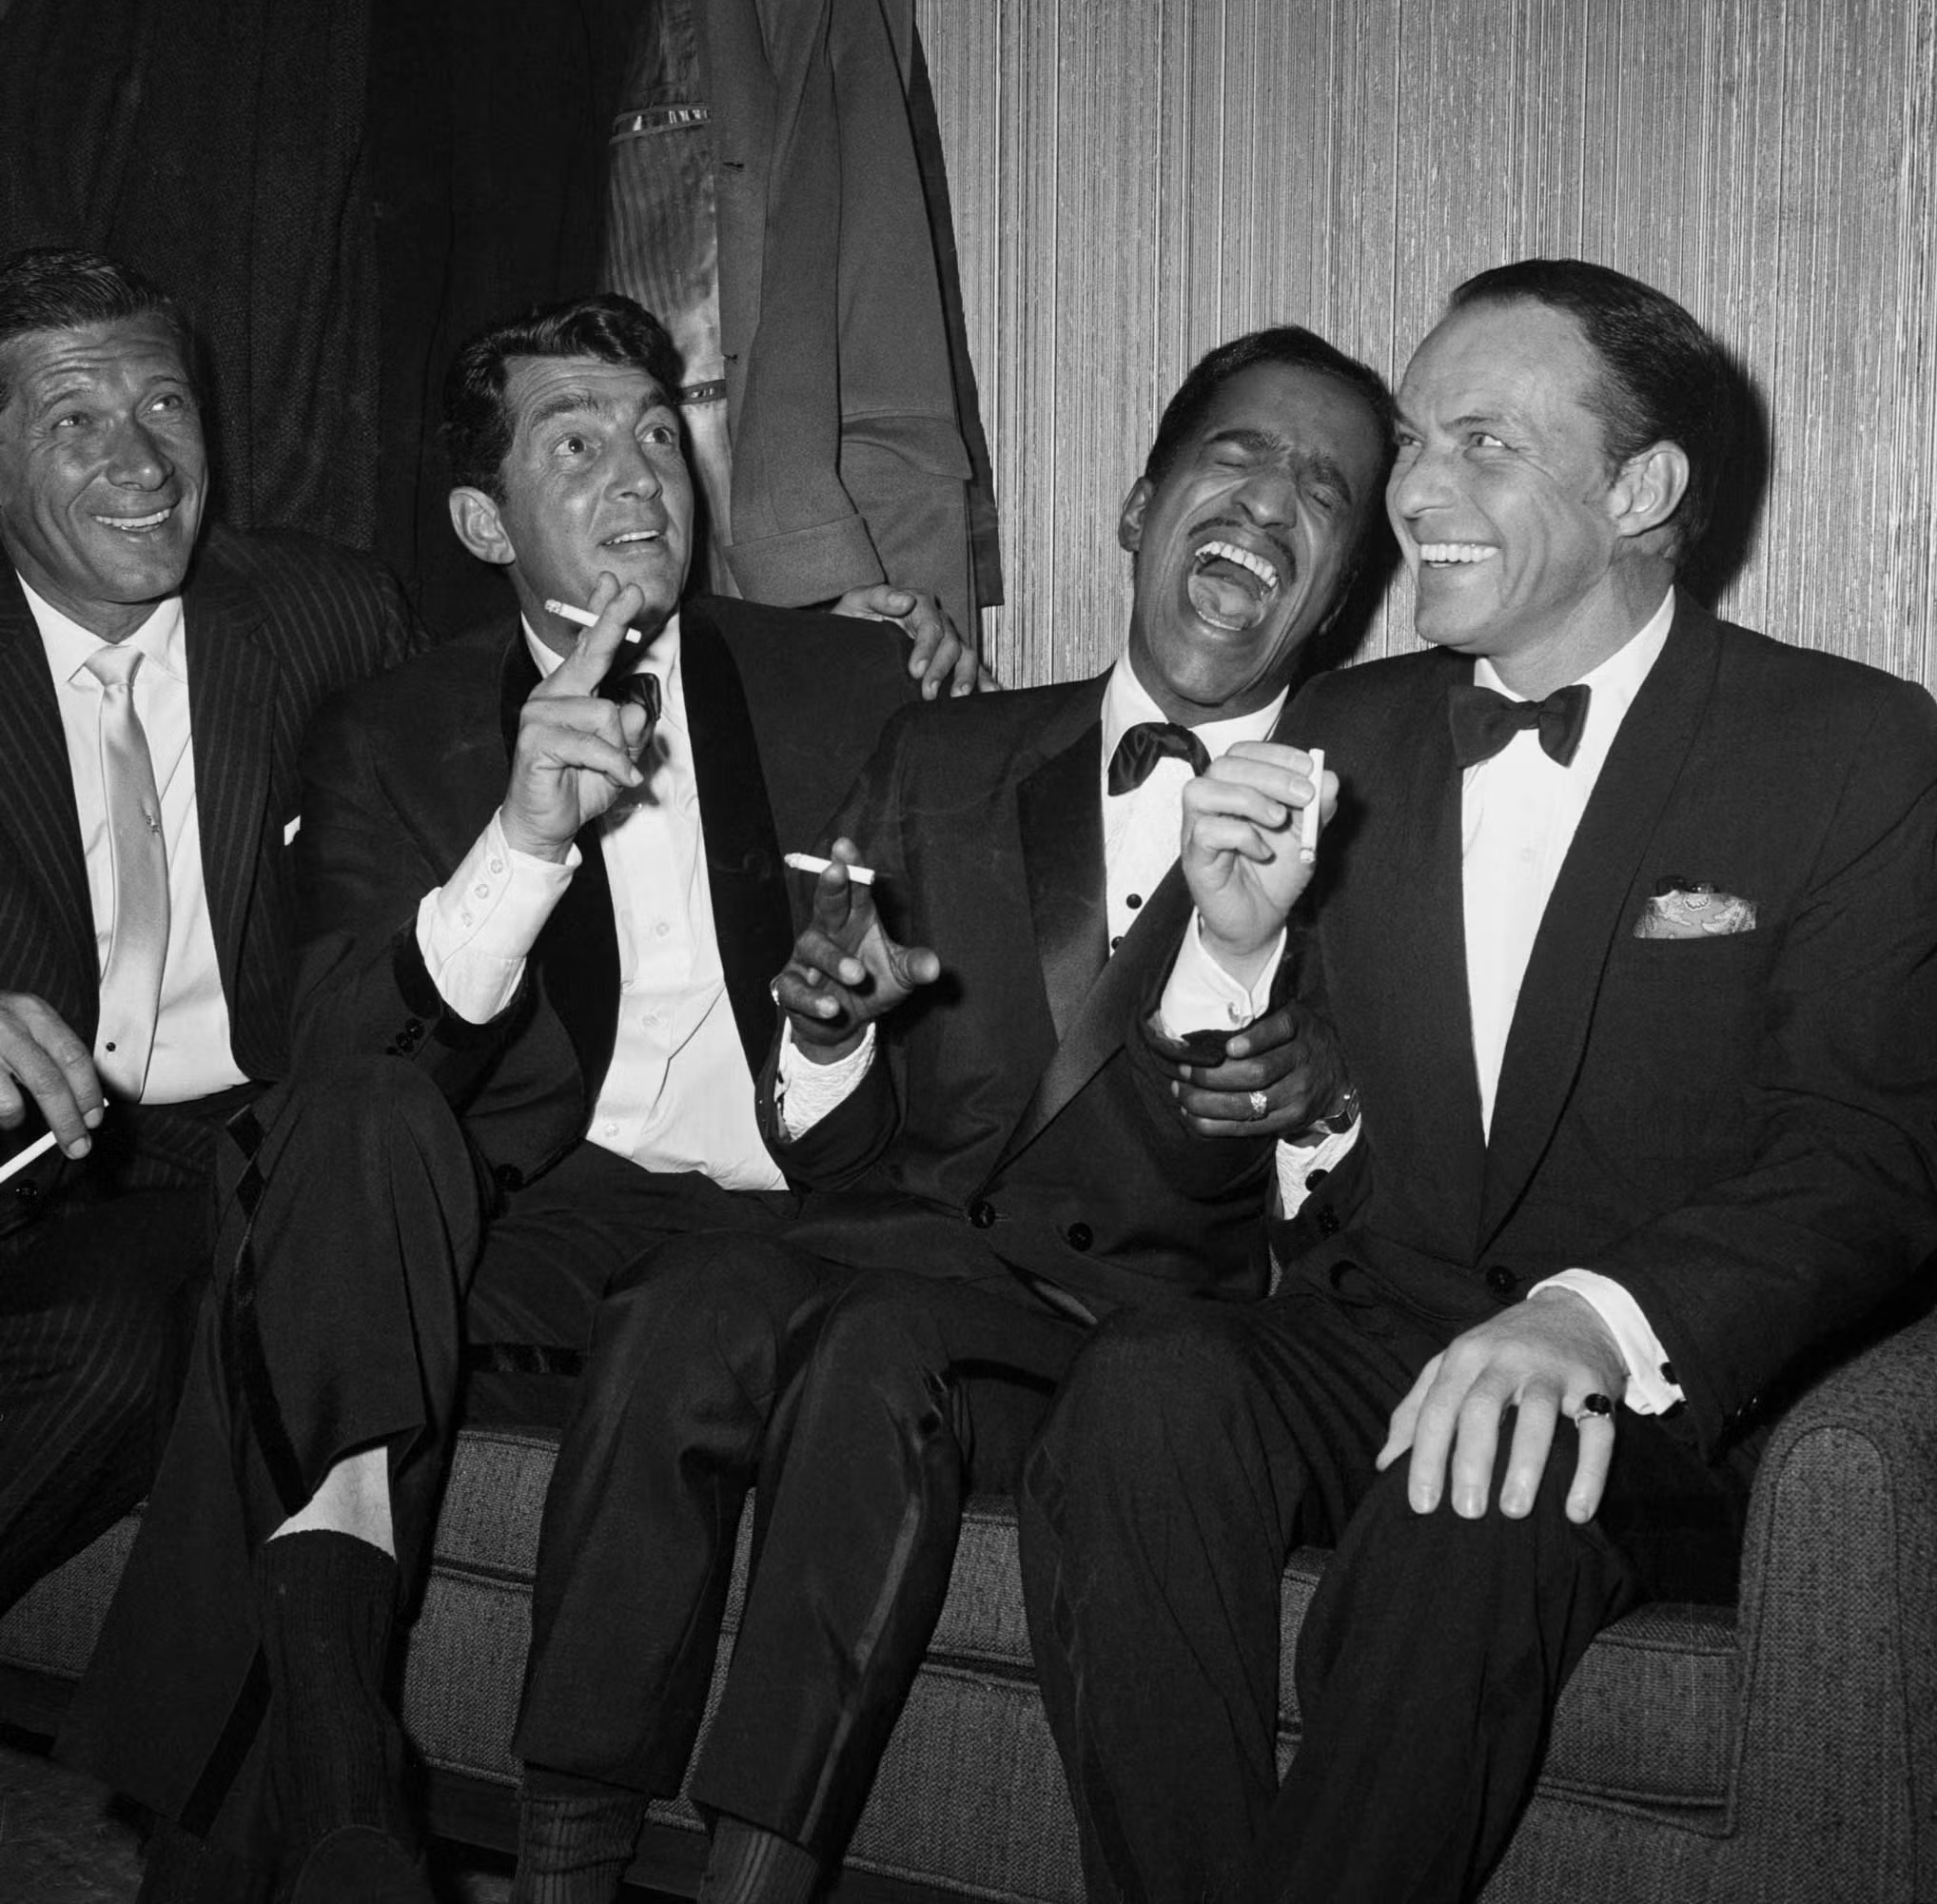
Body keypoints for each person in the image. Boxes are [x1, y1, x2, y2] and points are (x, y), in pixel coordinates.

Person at [1016, 259, 1937, 1904]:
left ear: (1640, 488)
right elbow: (1245, 1152)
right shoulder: (1344, 731)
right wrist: (1231, 958)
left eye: (1483, 445)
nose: (1416, 491)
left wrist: (1590, 1322)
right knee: (1150, 1390)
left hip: (1657, 1402)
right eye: (1416, 440)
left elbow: (1865, 1164)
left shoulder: (1856, 752)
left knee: (1482, 1489)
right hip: (1380, 1332)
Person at [60, 290, 970, 1904]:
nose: (639, 477)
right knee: (333, 1130)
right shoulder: (393, 726)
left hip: (789, 1213)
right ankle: (343, 1755)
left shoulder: (851, 680)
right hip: (534, 1214)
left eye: (653, 435)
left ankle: (267, 1829)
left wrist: (838, 1027)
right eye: (575, 444)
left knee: (260, 1307)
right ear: (485, 520)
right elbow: (328, 1034)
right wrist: (522, 845)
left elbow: (926, 1049)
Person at [505, 324, 1396, 1904]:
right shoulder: (943, 748)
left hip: (1122, 1336)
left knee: (873, 1347)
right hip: (888, 1244)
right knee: (684, 1291)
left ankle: (750, 1883)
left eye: (1322, 491)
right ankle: (564, 1855)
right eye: (1234, 458)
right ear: (1138, 509)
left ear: (1341, 589)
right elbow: (832, 1144)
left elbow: (1389, 1213)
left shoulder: (1383, 819)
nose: (1266, 506)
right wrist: (829, 1034)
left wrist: (1310, 1101)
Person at [0, 245, 411, 1614]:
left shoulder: (321, 613)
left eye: (165, 407)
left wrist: (818, 650)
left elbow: (517, 690)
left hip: (229, 1152)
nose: (144, 463)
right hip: (11, 1156)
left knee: (144, 1343)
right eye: (76, 421)